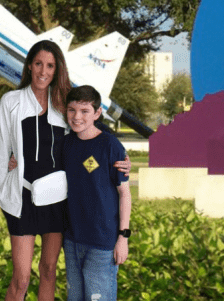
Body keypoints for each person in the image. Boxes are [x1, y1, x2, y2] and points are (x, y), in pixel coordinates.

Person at [0, 40, 130, 301]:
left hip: (56, 200)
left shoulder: (63, 102)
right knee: (21, 279)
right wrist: (3, 187)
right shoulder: (10, 101)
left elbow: (91, 129)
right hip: (21, 198)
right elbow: (2, 152)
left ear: (57, 70)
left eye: (50, 66)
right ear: (30, 66)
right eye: (38, 64)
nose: (43, 71)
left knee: (49, 270)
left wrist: (121, 156)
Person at [62, 85, 132, 301]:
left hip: (103, 243)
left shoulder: (111, 146)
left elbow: (125, 194)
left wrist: (123, 237)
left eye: (84, 111)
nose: (77, 117)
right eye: (72, 110)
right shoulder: (64, 144)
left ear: (97, 113)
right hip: (72, 240)